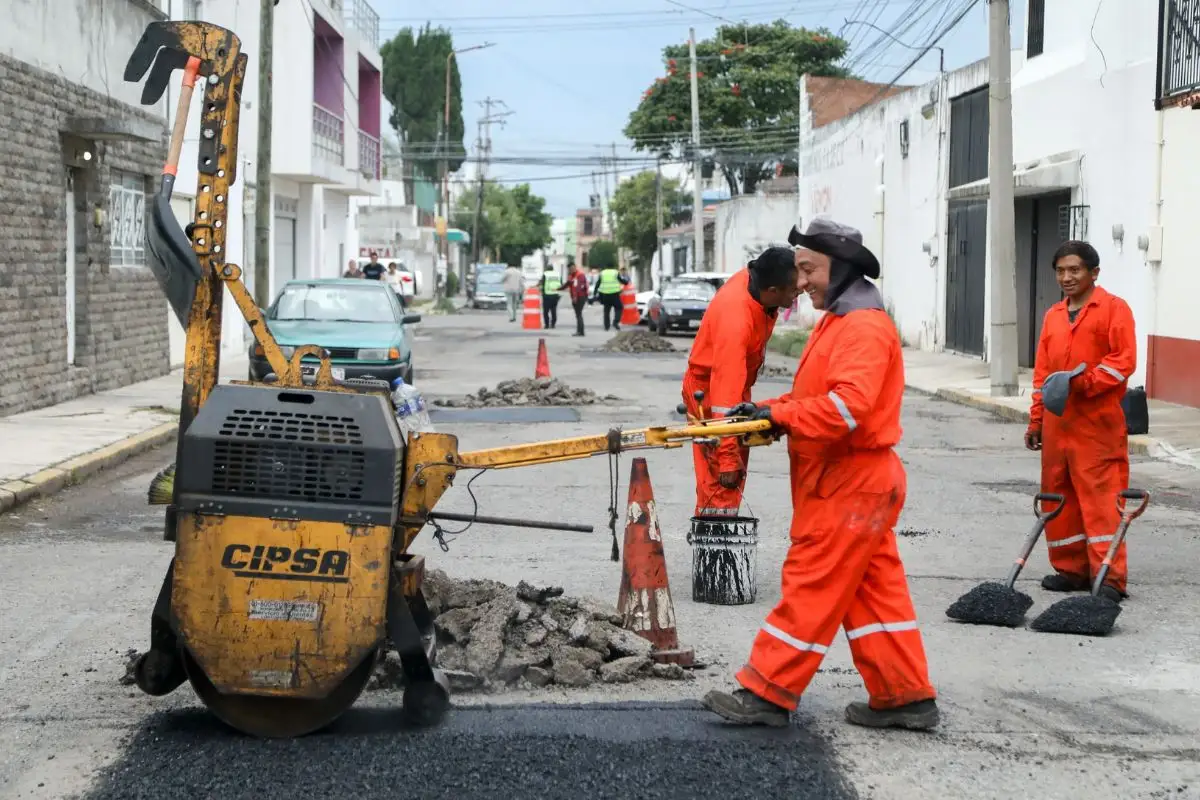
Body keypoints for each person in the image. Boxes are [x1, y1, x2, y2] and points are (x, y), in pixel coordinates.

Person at [701, 217, 939, 732]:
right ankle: (904, 697)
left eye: (808, 269)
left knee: (810, 585)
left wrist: (779, 417)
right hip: (848, 482)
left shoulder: (863, 328)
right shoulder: (838, 321)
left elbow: (846, 411)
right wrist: (762, 410)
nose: (800, 281)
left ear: (842, 268)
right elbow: (814, 399)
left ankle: (767, 691)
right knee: (874, 594)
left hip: (849, 483)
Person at [1025, 240, 1136, 602]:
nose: (1067, 277)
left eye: (1075, 270)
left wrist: (1086, 382)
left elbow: (1123, 361)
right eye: (1060, 271)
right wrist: (1037, 419)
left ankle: (1109, 578)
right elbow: (1043, 373)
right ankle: (1071, 570)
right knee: (1059, 498)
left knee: (1101, 501)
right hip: (1058, 427)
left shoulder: (1113, 309)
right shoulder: (1054, 316)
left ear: (1094, 273)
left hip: (1096, 426)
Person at [682, 247, 800, 518]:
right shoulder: (736, 320)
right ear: (772, 290)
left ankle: (716, 534)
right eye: (793, 289)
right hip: (711, 393)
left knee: (724, 479)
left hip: (726, 387)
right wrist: (727, 458)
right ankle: (717, 548)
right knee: (722, 480)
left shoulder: (756, 287)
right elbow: (725, 400)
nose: (800, 292)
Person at [592, 262, 628, 331]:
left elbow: (598, 283)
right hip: (615, 294)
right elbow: (621, 280)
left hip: (605, 295)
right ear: (613, 267)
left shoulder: (602, 273)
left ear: (606, 267)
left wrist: (595, 293)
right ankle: (615, 322)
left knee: (606, 311)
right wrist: (626, 282)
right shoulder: (615, 272)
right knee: (619, 308)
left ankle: (606, 326)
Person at [564, 262, 590, 336]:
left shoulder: (580, 275)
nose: (571, 270)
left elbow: (578, 287)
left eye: (572, 268)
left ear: (575, 267)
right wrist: (557, 289)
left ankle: (580, 332)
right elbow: (567, 284)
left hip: (580, 297)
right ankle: (580, 331)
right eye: (570, 269)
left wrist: (575, 297)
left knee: (578, 314)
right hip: (575, 297)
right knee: (578, 314)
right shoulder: (571, 276)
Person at [539, 265, 564, 329]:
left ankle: (547, 324)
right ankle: (553, 324)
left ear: (547, 269)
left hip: (547, 294)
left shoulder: (545, 274)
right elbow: (561, 283)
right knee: (553, 310)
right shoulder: (557, 274)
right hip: (555, 294)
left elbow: (542, 283)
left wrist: (541, 291)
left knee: (546, 311)